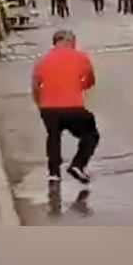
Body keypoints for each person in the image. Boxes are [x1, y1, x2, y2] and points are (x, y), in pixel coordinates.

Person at [32, 29, 99, 185]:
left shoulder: (42, 59)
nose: (74, 44)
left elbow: (35, 84)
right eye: (72, 40)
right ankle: (78, 164)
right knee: (91, 134)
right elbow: (90, 80)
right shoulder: (81, 57)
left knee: (53, 136)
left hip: (48, 107)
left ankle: (54, 172)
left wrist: (40, 103)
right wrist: (79, 86)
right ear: (65, 41)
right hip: (72, 107)